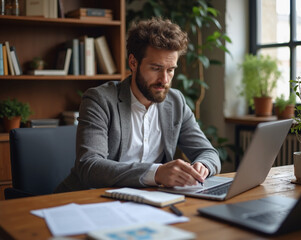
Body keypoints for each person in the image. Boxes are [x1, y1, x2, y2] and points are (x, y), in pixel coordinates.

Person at [55, 17, 220, 193]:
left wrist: (203, 166)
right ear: (133, 63)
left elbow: (209, 153)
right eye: (156, 68)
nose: (164, 80)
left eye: (170, 70)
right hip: (86, 199)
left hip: (145, 201)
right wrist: (156, 173)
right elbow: (90, 166)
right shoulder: (100, 100)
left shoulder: (176, 102)